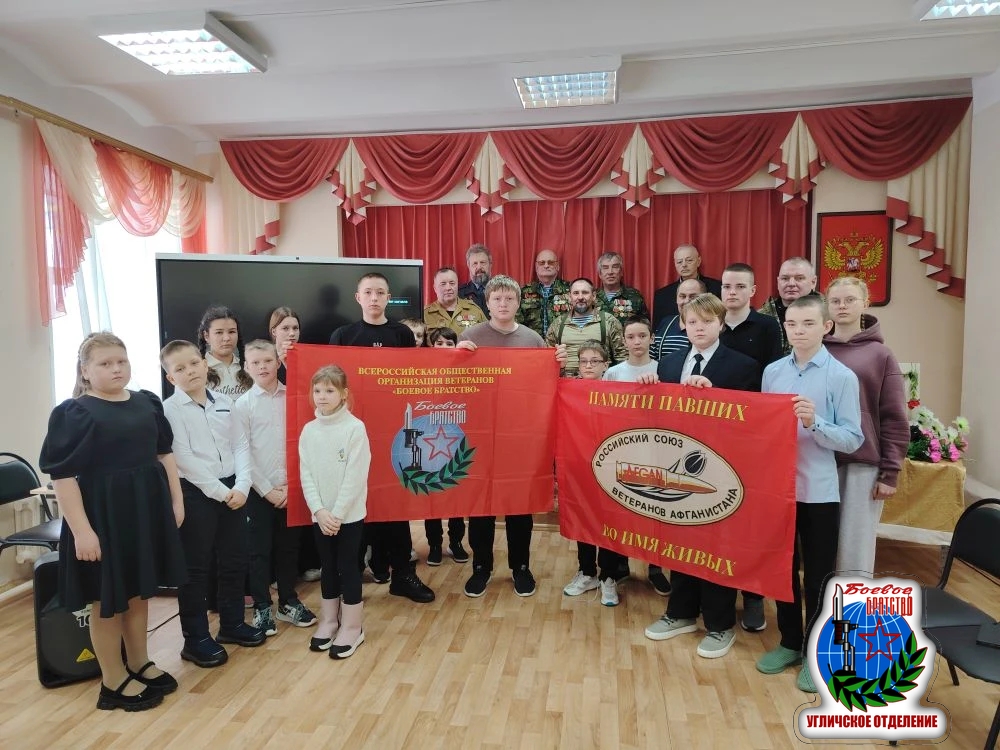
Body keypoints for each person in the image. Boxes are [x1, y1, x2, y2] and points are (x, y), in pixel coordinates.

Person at [39, 332, 186, 712]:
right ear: (85, 371)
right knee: (107, 601)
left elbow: (164, 454)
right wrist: (82, 532)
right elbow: (62, 478)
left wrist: (176, 501)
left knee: (138, 594)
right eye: (105, 363)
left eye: (121, 361)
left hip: (143, 514)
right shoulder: (75, 413)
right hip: (102, 519)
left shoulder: (146, 402)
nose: (116, 369)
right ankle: (113, 679)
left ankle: (139, 661)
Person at [756, 296, 863, 693]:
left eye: (807, 323)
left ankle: (817, 654)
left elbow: (853, 439)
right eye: (792, 324)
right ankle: (789, 642)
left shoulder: (841, 377)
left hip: (818, 491)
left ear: (826, 326)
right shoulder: (772, 372)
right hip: (779, 490)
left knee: (818, 576)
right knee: (783, 570)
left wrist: (814, 422)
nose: (798, 331)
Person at [644, 295, 761, 660]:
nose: (699, 328)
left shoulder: (743, 365)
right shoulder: (668, 362)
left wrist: (714, 397)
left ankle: (719, 624)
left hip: (722, 469)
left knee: (716, 547)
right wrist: (648, 385)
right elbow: (658, 414)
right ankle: (681, 612)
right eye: (692, 322)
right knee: (680, 537)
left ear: (721, 325)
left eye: (707, 321)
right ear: (683, 325)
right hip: (676, 465)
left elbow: (753, 420)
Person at [457, 274, 567, 597]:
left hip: (520, 436)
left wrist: (556, 363)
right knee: (481, 506)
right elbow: (455, 383)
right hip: (480, 435)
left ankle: (521, 566)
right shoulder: (471, 336)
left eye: (509, 299)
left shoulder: (533, 340)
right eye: (497, 299)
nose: (503, 304)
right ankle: (481, 567)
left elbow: (544, 387)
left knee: (520, 504)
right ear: (487, 303)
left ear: (518, 303)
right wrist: (455, 356)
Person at [329, 272, 435, 604]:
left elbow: (415, 377)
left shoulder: (400, 334)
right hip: (353, 435)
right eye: (368, 292)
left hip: (393, 434)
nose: (374, 298)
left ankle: (403, 574)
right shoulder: (343, 335)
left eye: (380, 292)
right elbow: (330, 382)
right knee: (356, 504)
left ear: (388, 297)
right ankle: (351, 579)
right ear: (358, 297)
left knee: (394, 504)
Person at [161, 339, 265, 669]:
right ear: (170, 377)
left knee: (234, 560)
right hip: (197, 494)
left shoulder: (224, 402)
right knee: (196, 568)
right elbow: (183, 458)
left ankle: (232, 624)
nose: (190, 371)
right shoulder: (170, 410)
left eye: (194, 363)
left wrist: (243, 485)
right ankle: (195, 639)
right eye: (180, 368)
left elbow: (240, 445)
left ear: (205, 365)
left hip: (234, 489)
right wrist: (221, 492)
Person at [823, 277, 909, 577]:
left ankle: (852, 602)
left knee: (854, 546)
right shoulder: (817, 350)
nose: (842, 306)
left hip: (861, 462)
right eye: (835, 301)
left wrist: (890, 472)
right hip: (819, 459)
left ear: (865, 303)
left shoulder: (881, 355)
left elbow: (894, 416)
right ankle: (822, 600)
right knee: (820, 543)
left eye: (850, 300)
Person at [234, 340, 317, 638]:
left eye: (268, 361)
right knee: (258, 552)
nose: (262, 367)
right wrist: (268, 490)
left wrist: (291, 485)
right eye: (255, 363)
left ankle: (288, 602)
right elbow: (243, 452)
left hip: (291, 488)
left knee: (288, 549)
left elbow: (304, 442)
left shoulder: (294, 398)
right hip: (260, 492)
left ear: (278, 362)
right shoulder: (242, 405)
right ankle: (262, 606)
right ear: (246, 367)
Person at [718, 263, 783, 633]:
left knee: (750, 521)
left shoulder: (768, 327)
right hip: (714, 435)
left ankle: (754, 595)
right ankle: (718, 592)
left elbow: (773, 381)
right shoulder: (712, 323)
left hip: (751, 436)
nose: (732, 292)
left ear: (752, 290)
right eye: (727, 286)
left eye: (739, 286)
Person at [299, 365, 371, 659]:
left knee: (347, 566)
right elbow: (306, 473)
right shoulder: (309, 431)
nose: (322, 396)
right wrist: (319, 510)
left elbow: (355, 476)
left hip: (347, 517)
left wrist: (337, 513)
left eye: (329, 390)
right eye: (317, 390)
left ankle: (353, 627)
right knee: (327, 566)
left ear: (343, 394)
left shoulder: (354, 428)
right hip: (321, 516)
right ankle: (330, 621)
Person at [562, 340, 629, 606]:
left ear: (605, 365)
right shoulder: (569, 390)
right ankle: (587, 571)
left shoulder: (617, 393)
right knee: (583, 520)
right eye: (584, 361)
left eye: (594, 361)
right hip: (579, 466)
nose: (588, 366)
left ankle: (608, 577)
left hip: (610, 468)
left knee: (609, 522)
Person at [267, 307, 321, 584]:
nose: (291, 333)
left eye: (295, 328)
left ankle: (308, 562)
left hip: (305, 440)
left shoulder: (309, 360)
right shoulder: (265, 361)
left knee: (307, 500)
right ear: (273, 331)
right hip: (273, 444)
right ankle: (279, 572)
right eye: (285, 328)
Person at [422, 326, 471, 565]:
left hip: (455, 438)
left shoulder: (464, 369)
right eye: (438, 343)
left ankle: (456, 542)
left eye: (448, 343)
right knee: (431, 493)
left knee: (455, 492)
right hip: (428, 440)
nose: (443, 348)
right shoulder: (419, 370)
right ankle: (434, 545)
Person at [545, 278, 627, 377]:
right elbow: (547, 359)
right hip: (566, 382)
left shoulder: (609, 321)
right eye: (576, 293)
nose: (580, 297)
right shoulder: (557, 324)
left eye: (585, 292)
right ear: (569, 297)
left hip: (599, 383)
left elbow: (623, 358)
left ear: (594, 296)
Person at [758, 257, 820, 354]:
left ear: (813, 282)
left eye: (799, 278)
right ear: (778, 282)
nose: (791, 284)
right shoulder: (761, 317)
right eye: (785, 278)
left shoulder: (829, 313)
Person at [652, 245, 722, 328]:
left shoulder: (717, 288)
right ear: (675, 264)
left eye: (689, 260)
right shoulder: (662, 295)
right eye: (679, 262)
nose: (684, 265)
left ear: (699, 261)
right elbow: (658, 328)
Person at [197, 305, 253, 399]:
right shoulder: (197, 370)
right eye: (219, 332)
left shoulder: (249, 367)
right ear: (206, 336)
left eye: (231, 332)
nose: (226, 338)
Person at [517, 249, 571, 337]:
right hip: (532, 342)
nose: (546, 266)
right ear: (536, 267)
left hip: (562, 342)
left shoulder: (571, 290)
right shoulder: (523, 292)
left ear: (558, 266)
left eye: (551, 262)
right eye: (542, 263)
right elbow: (517, 323)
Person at [650, 278, 706, 361]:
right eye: (682, 296)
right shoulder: (666, 323)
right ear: (676, 299)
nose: (686, 301)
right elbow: (651, 356)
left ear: (705, 299)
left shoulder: (708, 328)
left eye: (693, 297)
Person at [423, 267, 486, 333]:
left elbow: (488, 335)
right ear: (435, 288)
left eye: (452, 283)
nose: (448, 288)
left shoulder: (474, 309)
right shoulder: (425, 314)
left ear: (457, 285)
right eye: (443, 284)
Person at [594, 252, 649, 324]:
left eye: (615, 267)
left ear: (621, 272)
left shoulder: (635, 296)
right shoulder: (592, 297)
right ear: (600, 274)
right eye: (605, 268)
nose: (610, 272)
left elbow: (645, 325)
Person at [458, 243, 493, 315]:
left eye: (483, 262)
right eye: (475, 263)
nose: (479, 267)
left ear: (490, 264)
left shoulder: (501, 290)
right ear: (469, 266)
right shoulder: (459, 294)